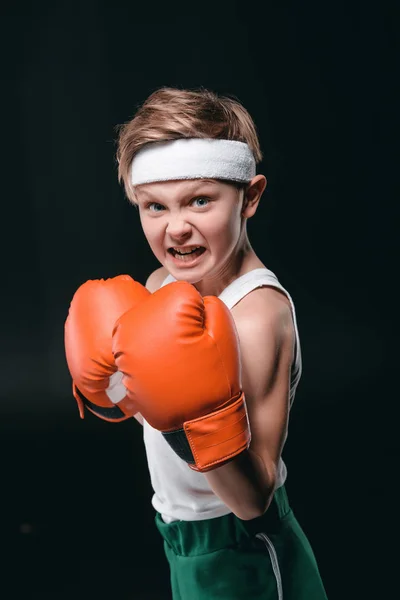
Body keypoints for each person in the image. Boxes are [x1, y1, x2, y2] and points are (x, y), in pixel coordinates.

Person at [64, 87, 328, 599]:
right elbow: (149, 403)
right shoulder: (162, 285)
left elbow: (254, 496)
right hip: (179, 535)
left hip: (243, 544)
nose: (176, 229)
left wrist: (185, 414)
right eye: (154, 206)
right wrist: (111, 387)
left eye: (200, 200)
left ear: (249, 197)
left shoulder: (257, 313)